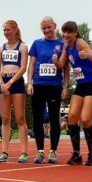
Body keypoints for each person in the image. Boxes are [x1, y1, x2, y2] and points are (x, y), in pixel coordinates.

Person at [27, 16, 68, 164]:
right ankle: (39, 151)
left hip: (54, 85)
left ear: (55, 26)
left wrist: (65, 86)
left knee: (53, 119)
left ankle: (53, 151)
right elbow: (31, 64)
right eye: (44, 28)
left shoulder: (62, 44)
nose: (46, 30)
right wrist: (29, 83)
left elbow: (66, 67)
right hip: (38, 84)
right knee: (37, 119)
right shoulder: (37, 44)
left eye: (49, 27)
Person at [60, 21, 92, 166]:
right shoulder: (66, 46)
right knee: (71, 117)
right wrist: (54, 61)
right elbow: (61, 64)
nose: (66, 35)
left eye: (69, 32)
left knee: (85, 119)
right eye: (64, 32)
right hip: (80, 85)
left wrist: (86, 56)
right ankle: (76, 154)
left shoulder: (80, 43)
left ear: (75, 33)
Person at [0, 20, 29, 162]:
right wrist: (2, 83)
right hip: (3, 83)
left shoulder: (23, 47)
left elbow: (23, 68)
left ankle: (24, 152)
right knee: (5, 118)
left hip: (16, 83)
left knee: (20, 118)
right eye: (4, 30)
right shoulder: (0, 49)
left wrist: (10, 83)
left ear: (15, 30)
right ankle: (4, 151)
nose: (6, 33)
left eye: (8, 30)